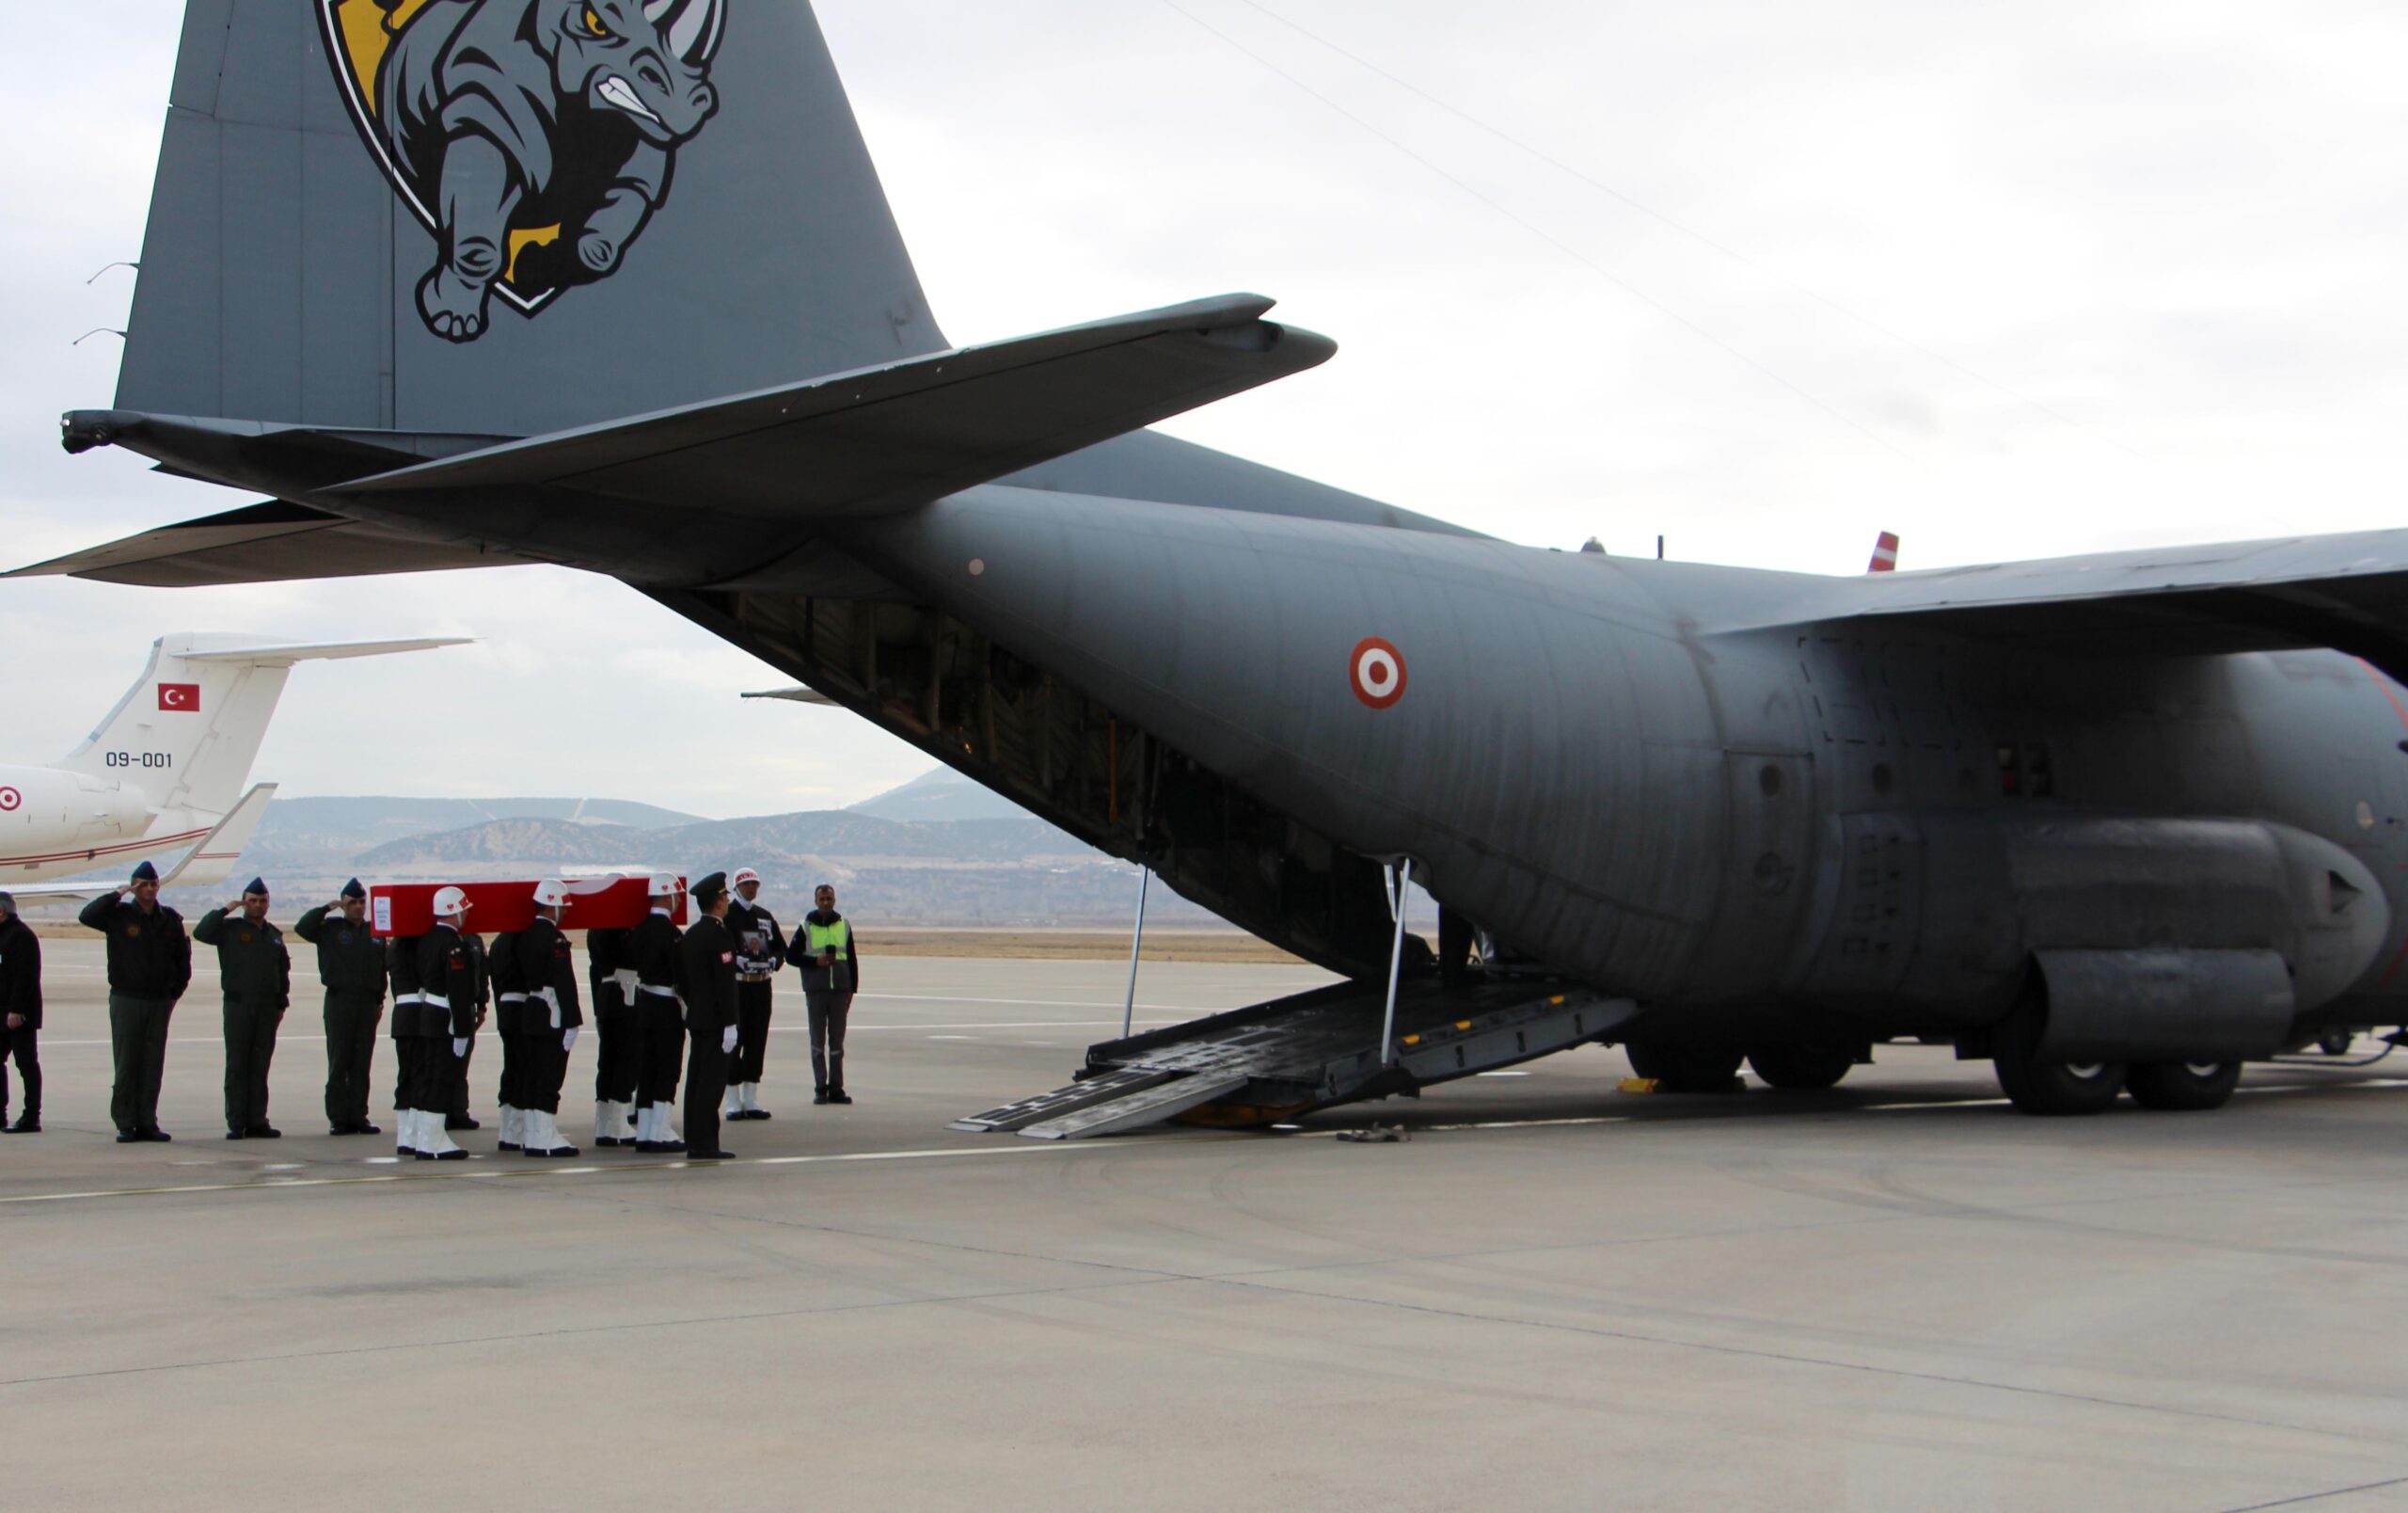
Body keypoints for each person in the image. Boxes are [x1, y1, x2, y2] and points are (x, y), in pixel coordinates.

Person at [79, 860, 192, 1142]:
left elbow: (182, 961)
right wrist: (117, 893)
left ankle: (147, 1121)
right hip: (127, 998)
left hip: (158, 1000)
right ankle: (126, 1122)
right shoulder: (118, 915)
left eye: (153, 884)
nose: (150, 889)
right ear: (134, 886)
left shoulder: (169, 920)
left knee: (152, 1063)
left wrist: (173, 994)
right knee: (128, 1061)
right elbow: (87, 916)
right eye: (143, 884)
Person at [194, 879, 293, 1139]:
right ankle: (237, 1121)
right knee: (238, 1065)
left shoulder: (273, 935)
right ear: (244, 903)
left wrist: (281, 1003)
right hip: (239, 1005)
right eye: (252, 901)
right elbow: (202, 932)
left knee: (260, 1066)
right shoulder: (230, 929)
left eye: (262, 901)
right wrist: (226, 909)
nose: (258, 905)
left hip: (267, 1007)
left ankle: (257, 1120)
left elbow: (282, 972)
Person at [294, 879, 386, 1136]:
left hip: (367, 1002)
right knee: (339, 1060)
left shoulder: (374, 931)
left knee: (361, 1061)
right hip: (340, 1000)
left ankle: (359, 1115)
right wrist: (326, 908)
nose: (358, 907)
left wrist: (380, 999)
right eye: (352, 903)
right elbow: (302, 928)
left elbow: (381, 969)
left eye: (361, 902)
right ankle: (338, 1117)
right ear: (344, 904)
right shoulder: (330, 928)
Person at [408, 887, 478, 1160]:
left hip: (429, 1014)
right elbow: (459, 991)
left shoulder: (426, 940)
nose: (467, 913)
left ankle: (427, 1137)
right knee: (442, 1077)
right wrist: (462, 1030)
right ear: (454, 911)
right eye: (464, 909)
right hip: (446, 1018)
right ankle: (433, 1140)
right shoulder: (454, 945)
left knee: (429, 1076)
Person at [515, 879, 584, 1157]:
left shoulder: (525, 935)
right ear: (552, 906)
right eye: (562, 907)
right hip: (551, 1013)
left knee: (532, 1075)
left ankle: (534, 1134)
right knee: (549, 1075)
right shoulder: (554, 939)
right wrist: (572, 1019)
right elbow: (563, 981)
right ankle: (544, 1136)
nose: (565, 912)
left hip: (531, 1010)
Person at [680, 872, 741, 1160]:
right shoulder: (719, 936)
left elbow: (682, 979)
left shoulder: (691, 934)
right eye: (725, 897)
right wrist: (730, 1022)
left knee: (696, 1080)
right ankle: (705, 1143)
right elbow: (725, 983)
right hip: (717, 1020)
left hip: (697, 1017)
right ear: (718, 902)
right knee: (711, 1083)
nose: (728, 901)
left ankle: (694, 1138)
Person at [626, 874, 687, 1153]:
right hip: (666, 1006)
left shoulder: (639, 930)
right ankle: (660, 1130)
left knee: (647, 1068)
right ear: (667, 896)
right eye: (676, 895)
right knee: (667, 1069)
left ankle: (645, 1131)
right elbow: (680, 974)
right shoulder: (671, 934)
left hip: (645, 1004)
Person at [722, 867, 785, 1122]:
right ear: (737, 887)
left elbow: (781, 948)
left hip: (761, 984)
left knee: (757, 1039)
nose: (751, 888)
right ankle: (732, 1099)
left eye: (755, 884)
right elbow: (720, 949)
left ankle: (751, 1096)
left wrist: (774, 961)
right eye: (747, 884)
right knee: (734, 1041)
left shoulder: (764, 916)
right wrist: (734, 960)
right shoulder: (728, 916)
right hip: (738, 985)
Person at [796, 883, 860, 1105]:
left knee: (837, 1044)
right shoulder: (806, 926)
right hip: (816, 991)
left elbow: (851, 959)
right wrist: (816, 962)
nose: (825, 903)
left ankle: (836, 1088)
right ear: (816, 901)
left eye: (829, 899)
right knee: (817, 1043)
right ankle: (820, 1087)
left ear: (834, 900)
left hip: (839, 991)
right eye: (822, 899)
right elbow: (791, 956)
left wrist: (853, 988)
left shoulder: (844, 925)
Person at [586, 922, 639, 1147]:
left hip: (606, 994)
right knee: (624, 1060)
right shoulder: (618, 929)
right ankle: (618, 1123)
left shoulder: (594, 930)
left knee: (607, 1062)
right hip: (624, 992)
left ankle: (604, 1124)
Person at [0, 892, 41, 1135]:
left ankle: (31, 1116)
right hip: (1, 1012)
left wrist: (16, 1010)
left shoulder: (21, 936)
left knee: (26, 1064)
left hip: (18, 1015)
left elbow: (25, 977)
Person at [486, 918, 528, 1151]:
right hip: (521, 1009)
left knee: (511, 1068)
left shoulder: (498, 943)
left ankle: (508, 1129)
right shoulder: (520, 941)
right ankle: (517, 1130)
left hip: (505, 1008)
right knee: (522, 1069)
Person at [444, 922, 490, 1133]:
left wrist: (481, 1005)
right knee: (444, 1062)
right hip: (446, 1005)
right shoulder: (444, 940)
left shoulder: (474, 941)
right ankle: (442, 1111)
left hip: (469, 1005)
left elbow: (482, 974)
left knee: (462, 1061)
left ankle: (459, 1110)